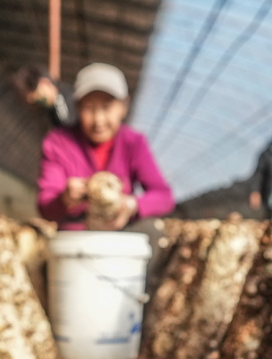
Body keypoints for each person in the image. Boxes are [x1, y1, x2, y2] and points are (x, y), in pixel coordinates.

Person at [37, 62, 175, 290]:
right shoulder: (58, 142)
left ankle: (139, 299)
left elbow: (164, 196)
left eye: (107, 107)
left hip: (120, 232)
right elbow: (45, 205)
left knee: (152, 231)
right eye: (89, 108)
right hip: (76, 237)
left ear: (123, 106)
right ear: (77, 108)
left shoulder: (133, 143)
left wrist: (131, 205)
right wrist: (67, 197)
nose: (99, 119)